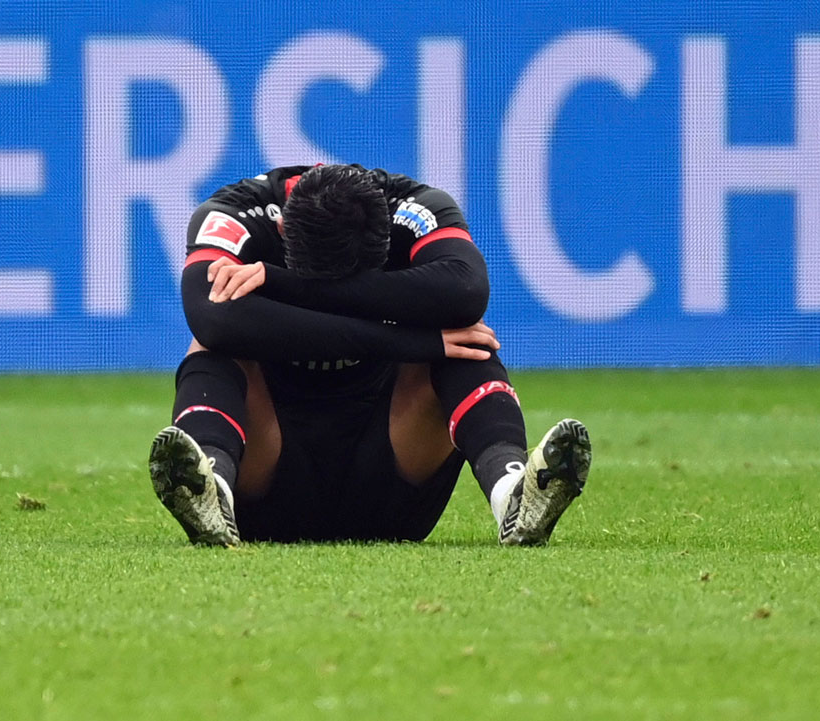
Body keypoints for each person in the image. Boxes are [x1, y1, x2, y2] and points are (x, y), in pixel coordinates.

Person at [149, 164, 591, 546]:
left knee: (466, 341)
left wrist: (284, 284)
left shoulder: (416, 206)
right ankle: (213, 489)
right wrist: (410, 340)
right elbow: (210, 321)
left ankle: (511, 493)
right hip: (264, 484)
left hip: (390, 481)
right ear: (283, 232)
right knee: (213, 341)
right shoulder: (234, 213)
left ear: (386, 234)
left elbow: (467, 290)